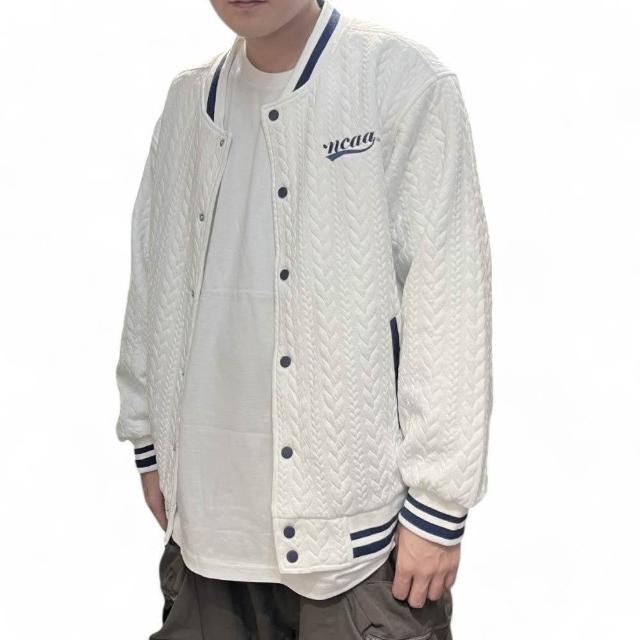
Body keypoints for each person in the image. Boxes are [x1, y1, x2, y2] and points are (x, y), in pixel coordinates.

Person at [114, 0, 493, 637]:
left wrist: (439, 506)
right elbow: (152, 284)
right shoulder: (186, 103)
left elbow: (449, 298)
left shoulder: (399, 81)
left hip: (358, 549)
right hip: (205, 537)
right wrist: (147, 443)